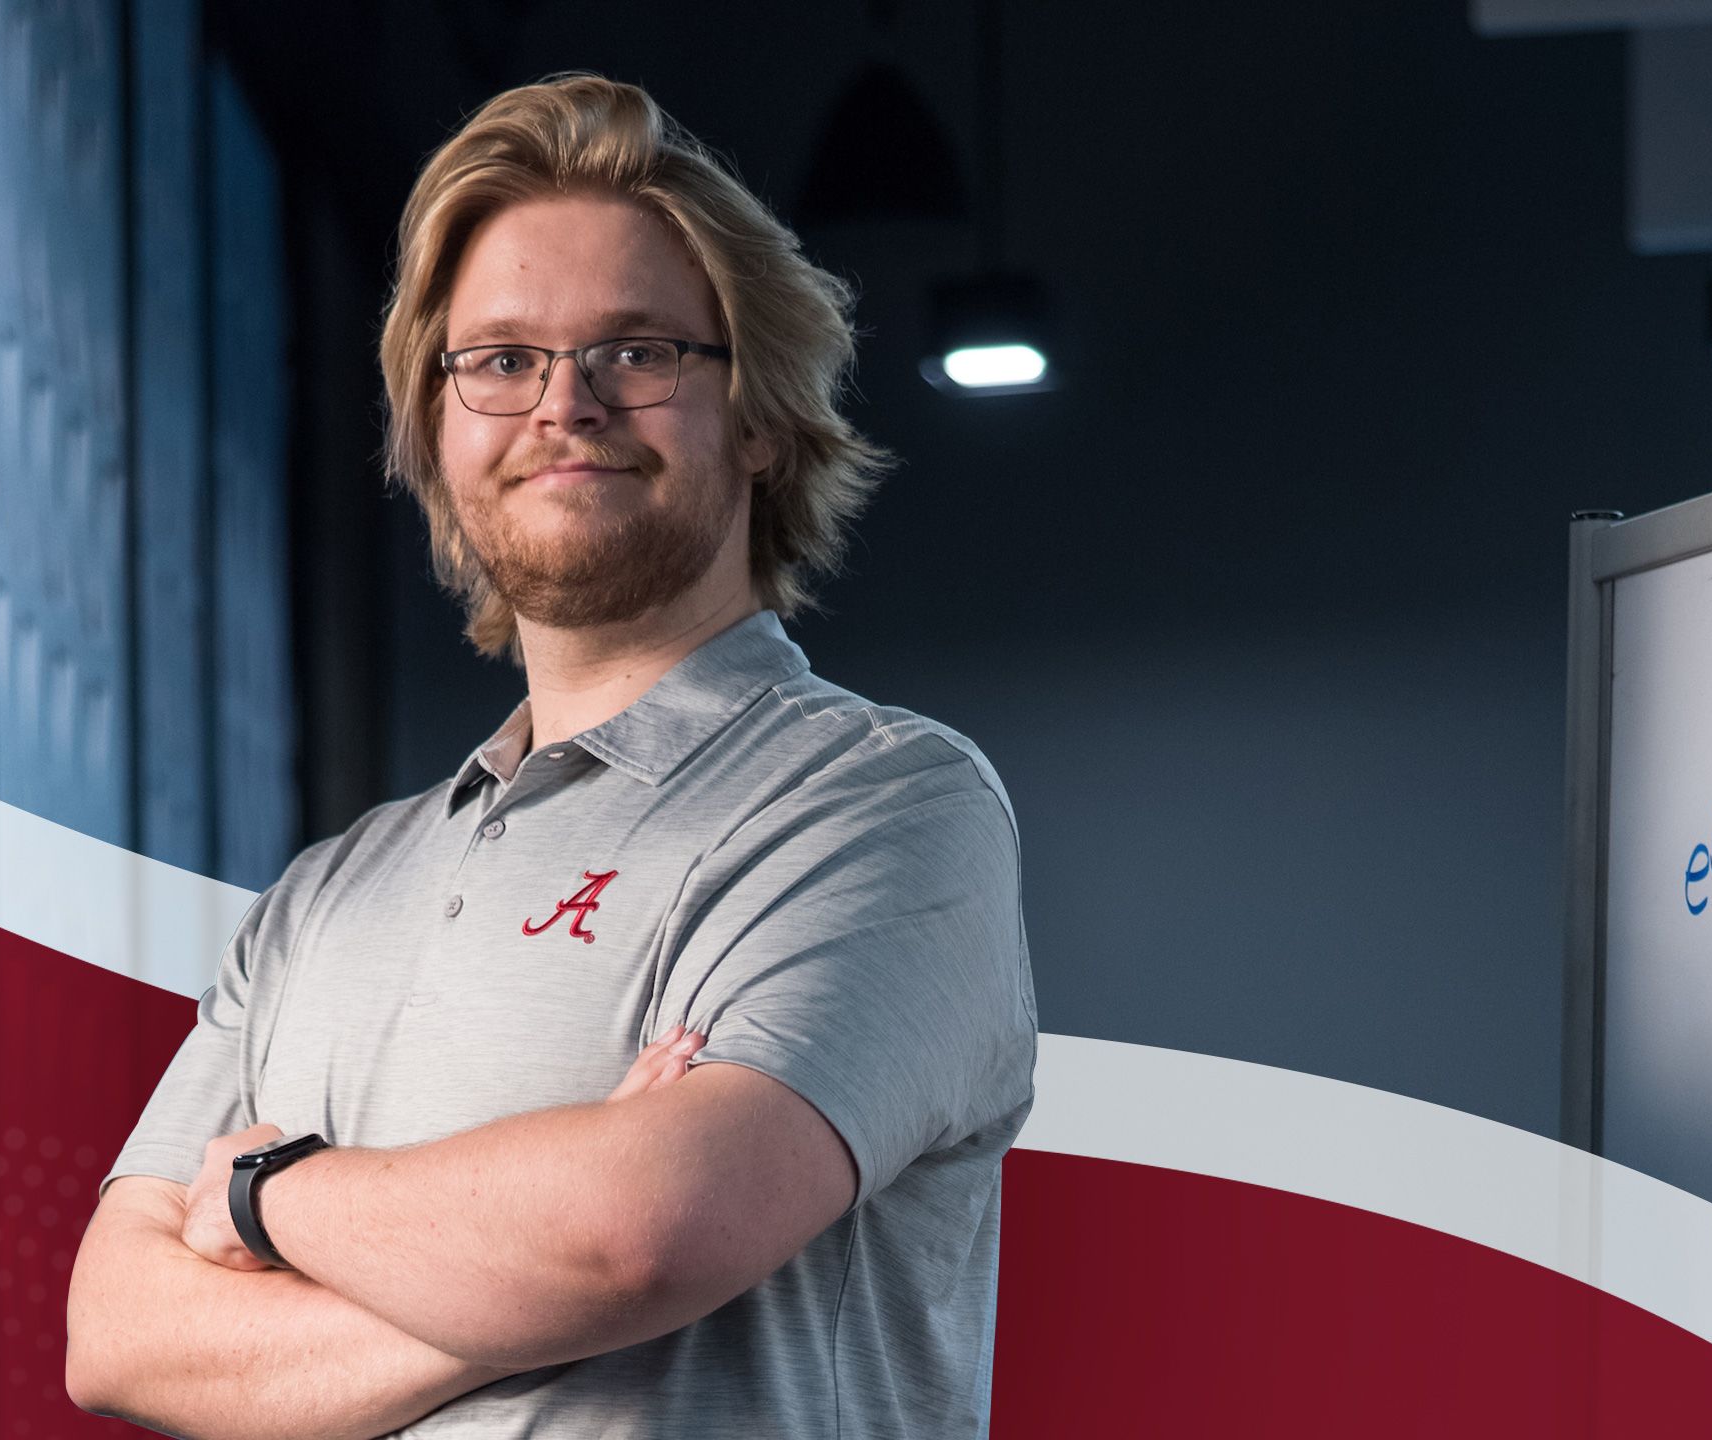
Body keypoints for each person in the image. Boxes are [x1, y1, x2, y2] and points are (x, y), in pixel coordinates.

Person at [65, 72, 1037, 1439]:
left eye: (637, 352)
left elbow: (640, 1235)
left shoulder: (881, 804)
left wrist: (262, 1196)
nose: (563, 406)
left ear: (757, 417)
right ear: (439, 426)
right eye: (502, 360)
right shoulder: (325, 898)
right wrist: (526, 1275)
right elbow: (115, 1335)